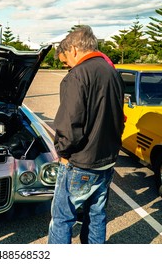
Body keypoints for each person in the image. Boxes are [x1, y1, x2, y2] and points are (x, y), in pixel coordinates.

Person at [48, 25, 124, 244]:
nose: (67, 67)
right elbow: (120, 117)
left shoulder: (78, 75)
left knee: (62, 219)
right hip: (106, 161)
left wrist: (62, 151)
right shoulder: (112, 71)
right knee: (97, 216)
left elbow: (70, 124)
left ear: (73, 49)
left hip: (80, 162)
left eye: (65, 62)